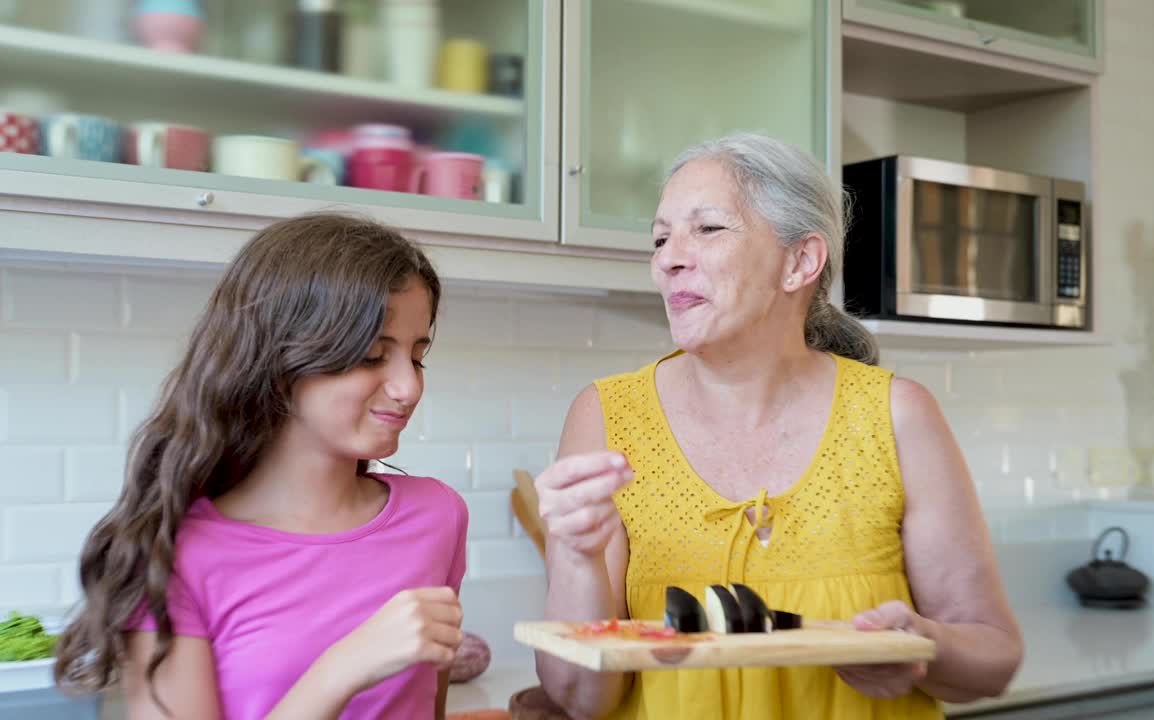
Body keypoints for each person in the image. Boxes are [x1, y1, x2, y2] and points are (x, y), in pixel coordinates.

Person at [533, 133, 1023, 719]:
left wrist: (919, 646)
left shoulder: (897, 414)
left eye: (707, 229)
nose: (668, 257)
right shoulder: (608, 417)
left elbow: (993, 658)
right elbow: (578, 698)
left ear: (799, 261)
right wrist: (575, 557)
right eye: (661, 238)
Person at [54, 214, 468, 720]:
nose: (408, 387)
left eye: (417, 357)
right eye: (371, 355)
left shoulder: (437, 517)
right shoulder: (172, 556)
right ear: (278, 358)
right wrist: (342, 668)